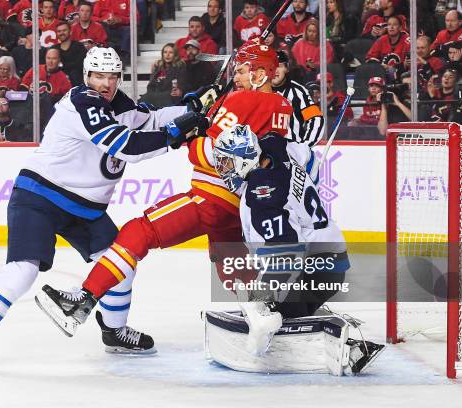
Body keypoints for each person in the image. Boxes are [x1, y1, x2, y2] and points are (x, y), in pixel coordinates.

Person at [0, 47, 206, 369]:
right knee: (22, 270)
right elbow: (129, 147)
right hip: (40, 196)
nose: (106, 83)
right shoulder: (83, 102)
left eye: (112, 77)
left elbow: (149, 119)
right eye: (99, 76)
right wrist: (177, 131)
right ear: (86, 77)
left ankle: (114, 331)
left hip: (85, 208)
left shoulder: (118, 103)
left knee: (120, 264)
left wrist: (189, 107)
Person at [33, 41, 303, 351]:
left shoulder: (241, 100)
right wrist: (205, 112)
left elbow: (210, 153)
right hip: (239, 203)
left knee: (138, 231)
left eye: (242, 70)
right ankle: (261, 315)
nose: (237, 76)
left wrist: (191, 135)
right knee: (232, 263)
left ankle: (82, 300)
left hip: (210, 197)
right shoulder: (283, 107)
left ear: (259, 75)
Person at [206, 124, 382, 374]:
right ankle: (310, 321)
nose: (222, 169)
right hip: (332, 260)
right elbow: (310, 156)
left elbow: (286, 254)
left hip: (314, 266)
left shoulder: (261, 196)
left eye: (227, 162)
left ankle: (346, 348)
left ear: (245, 158)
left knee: (270, 312)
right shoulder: (275, 147)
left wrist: (264, 304)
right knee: (275, 303)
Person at [271, 50, 325, 150]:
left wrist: (304, 147)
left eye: (279, 66)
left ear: (286, 68)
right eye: (272, 66)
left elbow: (316, 118)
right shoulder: (257, 91)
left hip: (292, 153)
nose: (275, 70)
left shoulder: (298, 92)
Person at [140, 43, 186, 107]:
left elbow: (181, 85)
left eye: (171, 52)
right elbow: (150, 86)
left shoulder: (179, 67)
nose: (167, 55)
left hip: (168, 96)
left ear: (175, 55)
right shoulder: (157, 67)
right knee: (142, 101)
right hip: (154, 95)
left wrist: (181, 91)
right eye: (165, 52)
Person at [55, 20, 87, 86]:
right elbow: (53, 66)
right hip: (59, 80)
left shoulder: (79, 46)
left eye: (64, 30)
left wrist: (61, 65)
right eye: (59, 31)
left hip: (77, 81)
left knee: (74, 73)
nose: (62, 33)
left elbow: (80, 65)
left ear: (70, 32)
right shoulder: (54, 49)